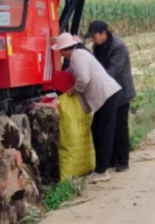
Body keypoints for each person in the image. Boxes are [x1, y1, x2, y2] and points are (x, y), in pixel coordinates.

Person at [52, 31, 122, 182]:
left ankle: (102, 171)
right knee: (97, 129)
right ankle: (105, 165)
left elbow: (83, 79)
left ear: (65, 49)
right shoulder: (78, 55)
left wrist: (73, 90)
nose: (61, 55)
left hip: (106, 95)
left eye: (60, 51)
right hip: (106, 95)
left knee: (102, 132)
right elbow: (72, 73)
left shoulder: (78, 56)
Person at [88, 20, 136, 172]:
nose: (92, 40)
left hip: (121, 92)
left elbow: (113, 71)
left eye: (94, 36)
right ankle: (112, 160)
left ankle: (123, 161)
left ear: (104, 33)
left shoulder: (118, 47)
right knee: (107, 127)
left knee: (120, 128)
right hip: (107, 92)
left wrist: (95, 83)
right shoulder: (98, 46)